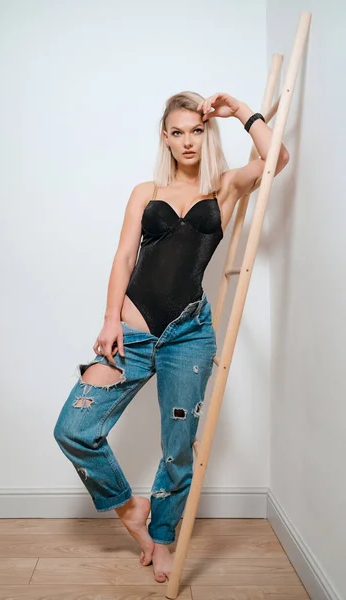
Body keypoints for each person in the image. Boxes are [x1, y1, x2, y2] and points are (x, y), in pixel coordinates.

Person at [54, 91, 290, 583]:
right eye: (178, 132)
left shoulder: (224, 187)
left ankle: (162, 538)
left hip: (189, 336)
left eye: (197, 131)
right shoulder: (146, 190)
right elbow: (123, 258)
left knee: (179, 447)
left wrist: (241, 110)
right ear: (165, 137)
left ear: (207, 135)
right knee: (75, 429)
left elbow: (278, 158)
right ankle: (129, 510)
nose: (188, 141)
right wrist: (109, 319)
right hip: (132, 335)